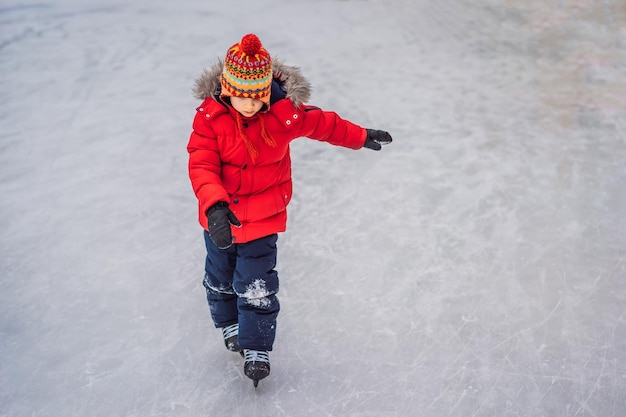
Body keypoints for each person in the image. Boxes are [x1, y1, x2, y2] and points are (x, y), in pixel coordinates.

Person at [186, 33, 392, 385]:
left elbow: (324, 123)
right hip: (220, 219)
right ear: (226, 88)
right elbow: (201, 164)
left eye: (256, 97)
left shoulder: (283, 115)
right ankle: (229, 324)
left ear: (267, 90)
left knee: (257, 286)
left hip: (263, 221)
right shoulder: (210, 118)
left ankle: (257, 347)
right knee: (220, 279)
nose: (249, 105)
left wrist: (358, 136)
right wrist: (215, 205)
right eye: (241, 96)